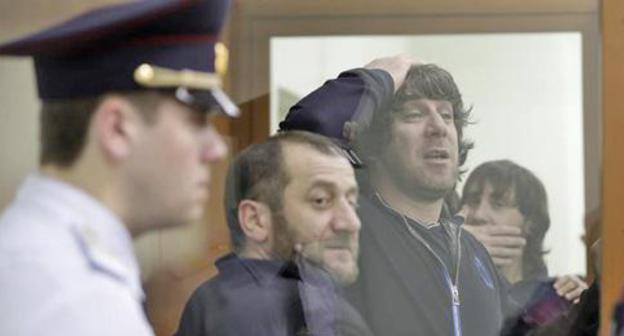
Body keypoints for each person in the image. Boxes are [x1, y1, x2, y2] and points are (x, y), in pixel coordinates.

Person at [0, 1, 238, 335]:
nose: (215, 149)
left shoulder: (38, 254)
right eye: (196, 120)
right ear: (117, 128)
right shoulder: (77, 302)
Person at [281, 56, 507, 335]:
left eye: (446, 115)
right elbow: (303, 134)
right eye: (415, 115)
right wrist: (379, 77)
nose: (439, 127)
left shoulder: (472, 251)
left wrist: (569, 301)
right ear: (376, 139)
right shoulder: (346, 230)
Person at [175, 130, 373, 336]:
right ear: (255, 220)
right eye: (320, 200)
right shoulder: (264, 310)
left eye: (352, 202)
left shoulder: (219, 301)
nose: (352, 222)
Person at [459, 160, 588, 334]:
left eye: (498, 204)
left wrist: (590, 309)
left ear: (530, 224)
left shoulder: (557, 299)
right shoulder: (446, 290)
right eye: (473, 201)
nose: (478, 215)